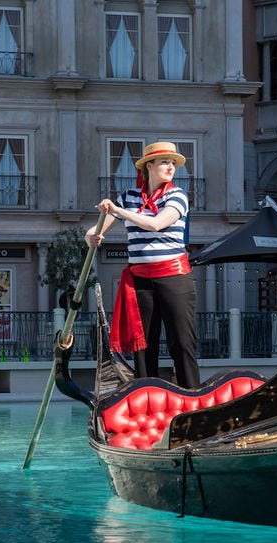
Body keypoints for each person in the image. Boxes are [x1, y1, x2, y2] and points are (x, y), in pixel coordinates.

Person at [86, 141, 200, 388]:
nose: (170, 167)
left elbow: (156, 224)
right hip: (140, 281)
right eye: (164, 162)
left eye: (173, 163)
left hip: (174, 277)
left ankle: (192, 396)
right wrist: (91, 237)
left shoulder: (177, 195)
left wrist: (117, 210)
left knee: (181, 343)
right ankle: (146, 395)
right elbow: (94, 232)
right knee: (144, 345)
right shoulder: (129, 197)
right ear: (149, 166)